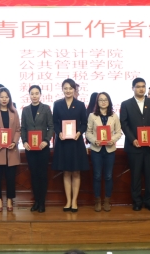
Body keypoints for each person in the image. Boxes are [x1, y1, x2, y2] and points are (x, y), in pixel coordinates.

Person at [120, 77, 150, 212]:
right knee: (135, 176)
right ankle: (137, 201)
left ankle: (149, 201)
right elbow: (124, 124)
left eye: (143, 86)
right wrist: (133, 139)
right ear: (133, 88)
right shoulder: (126, 104)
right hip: (134, 147)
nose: (141, 89)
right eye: (138, 86)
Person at [52, 78, 89, 212]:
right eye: (65, 88)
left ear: (74, 90)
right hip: (63, 142)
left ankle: (74, 201)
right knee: (66, 172)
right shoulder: (57, 104)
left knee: (76, 172)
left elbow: (84, 123)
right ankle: (68, 201)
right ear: (62, 89)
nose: (68, 91)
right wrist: (59, 132)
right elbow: (55, 122)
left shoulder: (80, 105)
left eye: (70, 88)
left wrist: (79, 132)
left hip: (76, 142)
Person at [85, 92, 122, 212]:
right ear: (97, 102)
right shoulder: (92, 116)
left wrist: (113, 140)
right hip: (96, 150)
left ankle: (107, 200)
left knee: (108, 176)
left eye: (105, 99)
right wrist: (94, 141)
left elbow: (119, 132)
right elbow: (88, 132)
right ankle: (97, 201)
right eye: (101, 100)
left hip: (110, 150)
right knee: (97, 176)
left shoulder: (114, 116)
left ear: (109, 101)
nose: (103, 102)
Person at [0, 87, 21, 212]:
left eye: (6, 97)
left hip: (11, 151)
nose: (4, 99)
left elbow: (18, 130)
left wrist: (14, 142)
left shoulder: (14, 112)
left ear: (9, 98)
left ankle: (10, 200)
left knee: (11, 178)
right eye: (1, 97)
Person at [21, 85, 53, 213]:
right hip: (30, 148)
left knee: (42, 175)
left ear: (40, 94)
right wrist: (24, 142)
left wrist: (46, 140)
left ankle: (42, 202)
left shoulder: (46, 108)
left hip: (42, 148)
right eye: (32, 93)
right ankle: (36, 202)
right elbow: (23, 128)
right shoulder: (25, 110)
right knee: (33, 175)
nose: (34, 96)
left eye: (36, 93)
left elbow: (51, 126)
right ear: (29, 95)